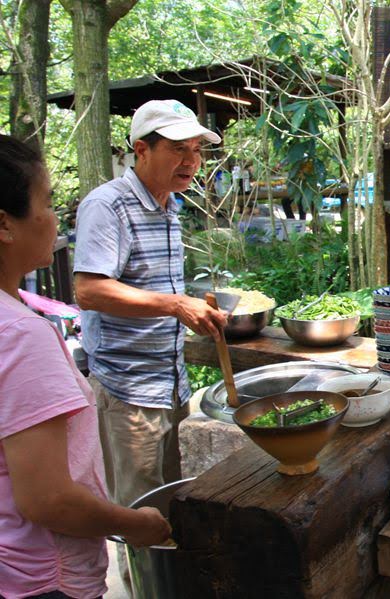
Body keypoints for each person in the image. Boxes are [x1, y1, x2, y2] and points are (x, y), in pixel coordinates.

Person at [0, 135, 171, 598]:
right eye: (47, 202)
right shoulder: (20, 335)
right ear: (5, 224)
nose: (55, 217)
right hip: (39, 578)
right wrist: (134, 523)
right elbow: (49, 500)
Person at [73, 100, 226, 588]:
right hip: (129, 390)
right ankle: (143, 589)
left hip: (170, 383)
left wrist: (191, 312)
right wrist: (176, 305)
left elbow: (154, 294)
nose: (191, 161)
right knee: (138, 515)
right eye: (178, 149)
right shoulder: (109, 205)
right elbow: (89, 290)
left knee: (174, 503)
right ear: (141, 149)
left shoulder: (168, 207)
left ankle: (171, 588)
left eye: (196, 150)